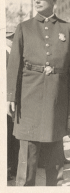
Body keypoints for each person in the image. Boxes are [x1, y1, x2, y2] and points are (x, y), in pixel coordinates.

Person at [6, 0, 70, 186]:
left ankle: (54, 187)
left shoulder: (67, 29)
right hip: (28, 94)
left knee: (55, 145)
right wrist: (11, 96)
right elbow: (14, 64)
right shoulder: (24, 27)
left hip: (56, 94)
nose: (37, 1)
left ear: (54, 0)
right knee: (28, 145)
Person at [6, 27, 20, 181]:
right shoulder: (4, 54)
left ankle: (13, 168)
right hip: (6, 103)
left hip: (14, 102)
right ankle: (9, 168)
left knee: (13, 136)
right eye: (10, 37)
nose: (13, 40)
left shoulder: (13, 53)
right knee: (8, 137)